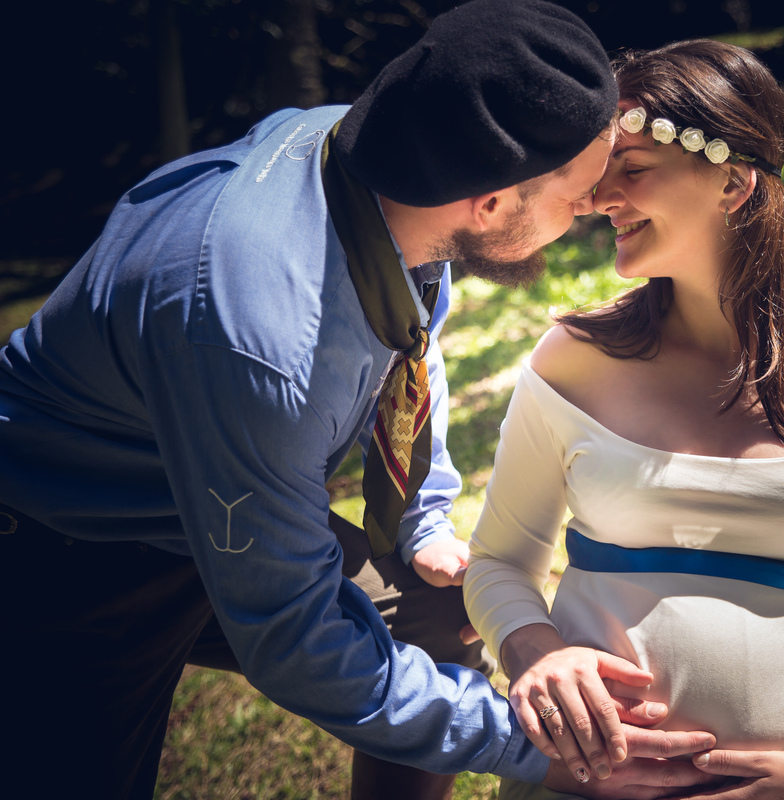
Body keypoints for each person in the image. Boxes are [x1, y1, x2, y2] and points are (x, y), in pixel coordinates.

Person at [0, 3, 720, 799]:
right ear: (488, 202)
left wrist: (419, 513)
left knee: (432, 609)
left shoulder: (392, 158)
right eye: (577, 192)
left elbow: (405, 340)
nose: (591, 207)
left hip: (217, 488)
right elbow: (295, 642)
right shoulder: (261, 342)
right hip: (67, 548)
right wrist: (524, 746)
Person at [464, 39, 784, 800]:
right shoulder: (571, 358)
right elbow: (499, 561)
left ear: (733, 183)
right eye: (601, 172)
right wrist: (536, 652)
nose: (601, 198)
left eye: (632, 168)